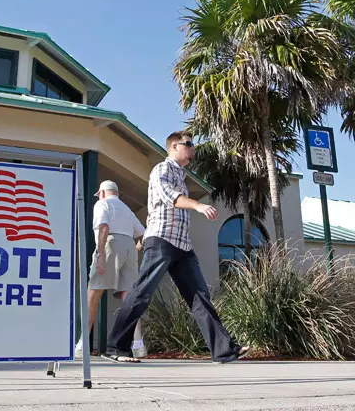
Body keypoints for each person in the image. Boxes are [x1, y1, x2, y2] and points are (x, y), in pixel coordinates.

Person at [103, 131, 251, 364]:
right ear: (174, 147)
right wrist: (198, 206)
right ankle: (115, 347)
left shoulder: (181, 176)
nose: (192, 149)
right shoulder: (162, 169)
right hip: (162, 240)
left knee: (199, 297)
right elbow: (171, 197)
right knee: (142, 292)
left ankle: (223, 350)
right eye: (188, 144)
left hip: (182, 246)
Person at [75, 180, 147, 359]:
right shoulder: (128, 210)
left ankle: (82, 343)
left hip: (110, 244)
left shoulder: (102, 204)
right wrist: (137, 246)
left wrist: (100, 254)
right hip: (129, 247)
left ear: (103, 193)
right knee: (129, 296)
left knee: (94, 293)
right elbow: (143, 234)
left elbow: (103, 227)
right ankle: (138, 345)